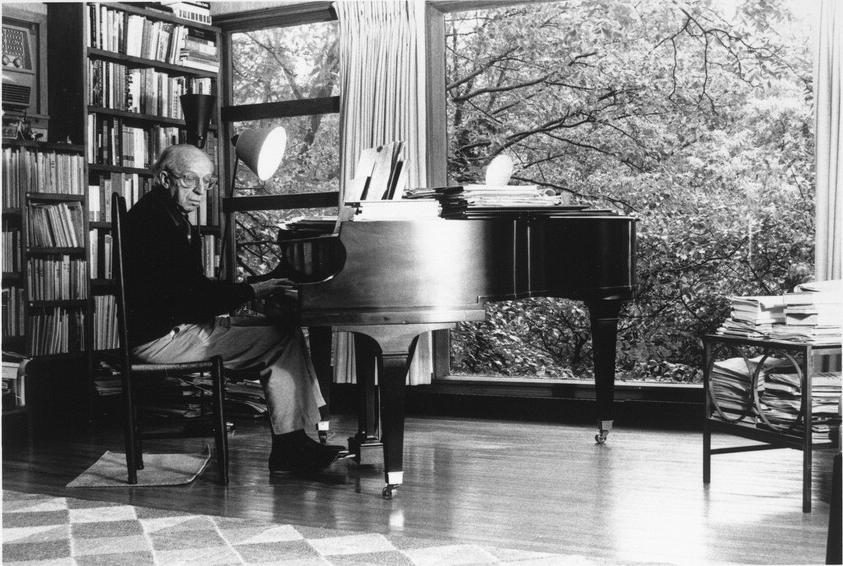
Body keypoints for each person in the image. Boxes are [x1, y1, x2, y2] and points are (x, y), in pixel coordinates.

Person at [123, 144, 339, 474]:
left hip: (178, 327)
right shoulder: (156, 225)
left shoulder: (166, 216)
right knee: (281, 337)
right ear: (164, 178)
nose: (199, 191)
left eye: (206, 182)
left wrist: (259, 284)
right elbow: (192, 301)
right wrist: (254, 289)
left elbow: (193, 291)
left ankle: (295, 440)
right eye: (189, 180)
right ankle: (291, 445)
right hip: (161, 339)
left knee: (284, 332)